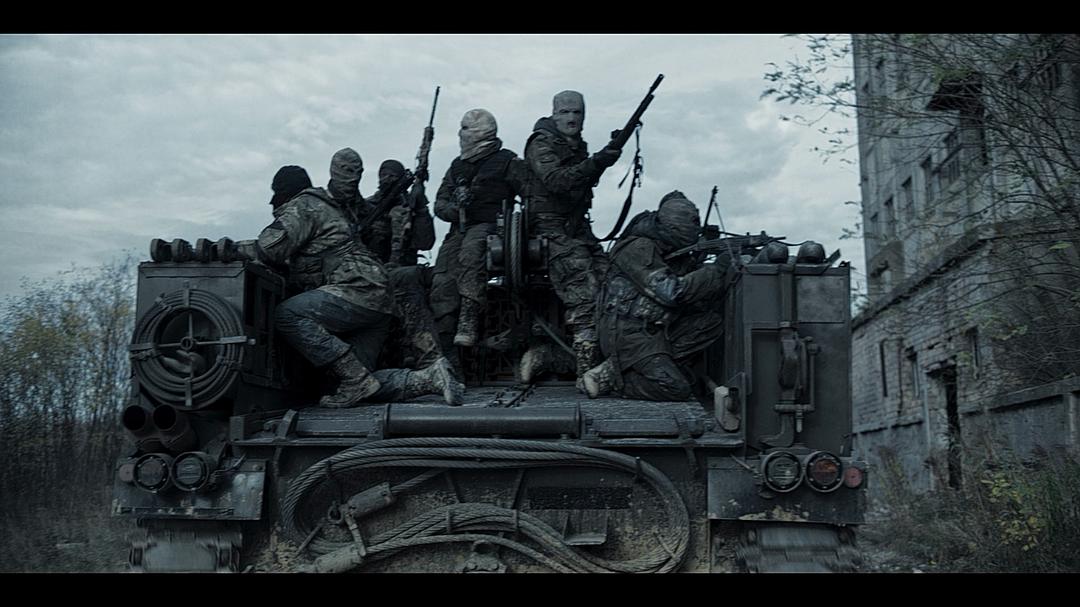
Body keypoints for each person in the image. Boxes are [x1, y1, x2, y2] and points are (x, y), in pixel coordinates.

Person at [235, 164, 463, 407]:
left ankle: (355, 378)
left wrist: (228, 248)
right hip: (378, 299)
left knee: (287, 315)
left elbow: (269, 248)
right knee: (351, 383)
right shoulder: (331, 209)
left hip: (357, 289)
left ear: (284, 193)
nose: (273, 204)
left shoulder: (304, 205)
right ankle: (431, 378)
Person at [582, 191, 726, 401]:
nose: (697, 231)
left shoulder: (667, 248)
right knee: (676, 388)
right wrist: (716, 270)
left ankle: (627, 367)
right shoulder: (638, 248)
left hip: (653, 331)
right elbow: (672, 292)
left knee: (710, 323)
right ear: (674, 230)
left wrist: (702, 258)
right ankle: (614, 380)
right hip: (628, 335)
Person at [520, 90, 622, 385]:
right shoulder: (541, 143)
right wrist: (597, 161)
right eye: (565, 112)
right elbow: (557, 181)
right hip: (548, 230)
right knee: (583, 292)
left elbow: (582, 180)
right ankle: (586, 374)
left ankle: (588, 360)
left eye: (577, 112)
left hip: (577, 230)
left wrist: (607, 155)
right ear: (554, 114)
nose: (571, 118)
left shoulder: (576, 146)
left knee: (612, 282)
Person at [328, 150, 443, 370]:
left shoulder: (410, 207)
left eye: (392, 175)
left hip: (403, 276)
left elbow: (426, 242)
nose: (387, 179)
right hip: (369, 275)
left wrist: (419, 209)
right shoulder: (367, 207)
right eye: (383, 174)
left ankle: (427, 360)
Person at [430, 109, 529, 353]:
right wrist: (455, 209)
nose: (460, 134)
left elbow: (530, 194)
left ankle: (469, 316)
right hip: (459, 228)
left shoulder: (508, 161)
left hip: (492, 226)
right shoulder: (457, 166)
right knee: (442, 275)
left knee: (471, 252)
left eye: (465, 129)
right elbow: (440, 204)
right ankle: (445, 338)